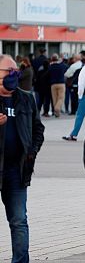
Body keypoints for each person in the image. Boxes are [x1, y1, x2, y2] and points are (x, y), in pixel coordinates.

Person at [0, 54, 45, 263]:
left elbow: (38, 128)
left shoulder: (26, 98)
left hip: (17, 171)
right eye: (8, 71)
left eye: (15, 71)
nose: (13, 75)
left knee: (19, 221)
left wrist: (32, 151)